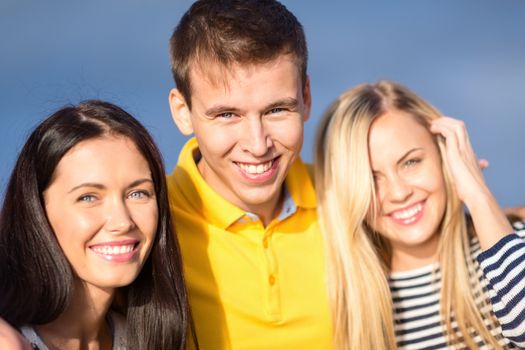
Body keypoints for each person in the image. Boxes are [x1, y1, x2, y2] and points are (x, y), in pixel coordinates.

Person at [166, 0, 332, 348]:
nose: (257, 145)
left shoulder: (349, 196)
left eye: (276, 110)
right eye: (227, 115)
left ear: (306, 96)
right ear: (183, 112)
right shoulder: (150, 223)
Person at [315, 80, 525, 349]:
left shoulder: (513, 244)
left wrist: (477, 194)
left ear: (444, 156)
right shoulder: (349, 305)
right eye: (370, 179)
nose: (399, 192)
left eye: (410, 162)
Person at [0, 100, 190, 349]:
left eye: (138, 193)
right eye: (88, 197)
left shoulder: (145, 340)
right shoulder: (10, 339)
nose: (122, 222)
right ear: (36, 210)